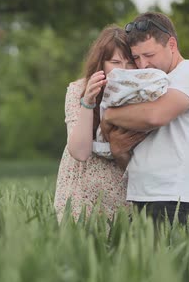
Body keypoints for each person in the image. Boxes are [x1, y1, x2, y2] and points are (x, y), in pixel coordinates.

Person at [101, 12, 189, 226]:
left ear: (172, 44)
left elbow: (154, 116)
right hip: (140, 197)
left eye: (149, 54)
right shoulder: (147, 83)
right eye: (137, 57)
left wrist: (110, 114)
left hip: (181, 200)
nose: (143, 65)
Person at [54, 25, 147, 223]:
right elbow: (79, 152)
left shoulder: (144, 94)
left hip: (123, 198)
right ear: (101, 64)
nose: (123, 69)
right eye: (115, 62)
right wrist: (88, 102)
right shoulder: (78, 90)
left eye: (129, 63)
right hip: (80, 195)